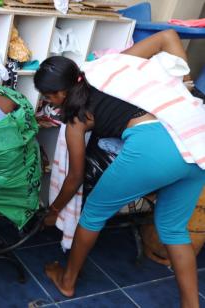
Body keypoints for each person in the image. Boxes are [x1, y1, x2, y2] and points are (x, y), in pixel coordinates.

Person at [33, 29, 205, 308]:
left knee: (93, 214)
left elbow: (75, 177)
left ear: (61, 92)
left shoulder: (77, 118)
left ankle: (67, 282)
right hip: (198, 138)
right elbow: (168, 36)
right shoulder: (107, 66)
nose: (48, 102)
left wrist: (53, 211)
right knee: (173, 229)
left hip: (154, 145)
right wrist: (187, 86)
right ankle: (191, 305)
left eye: (49, 97)